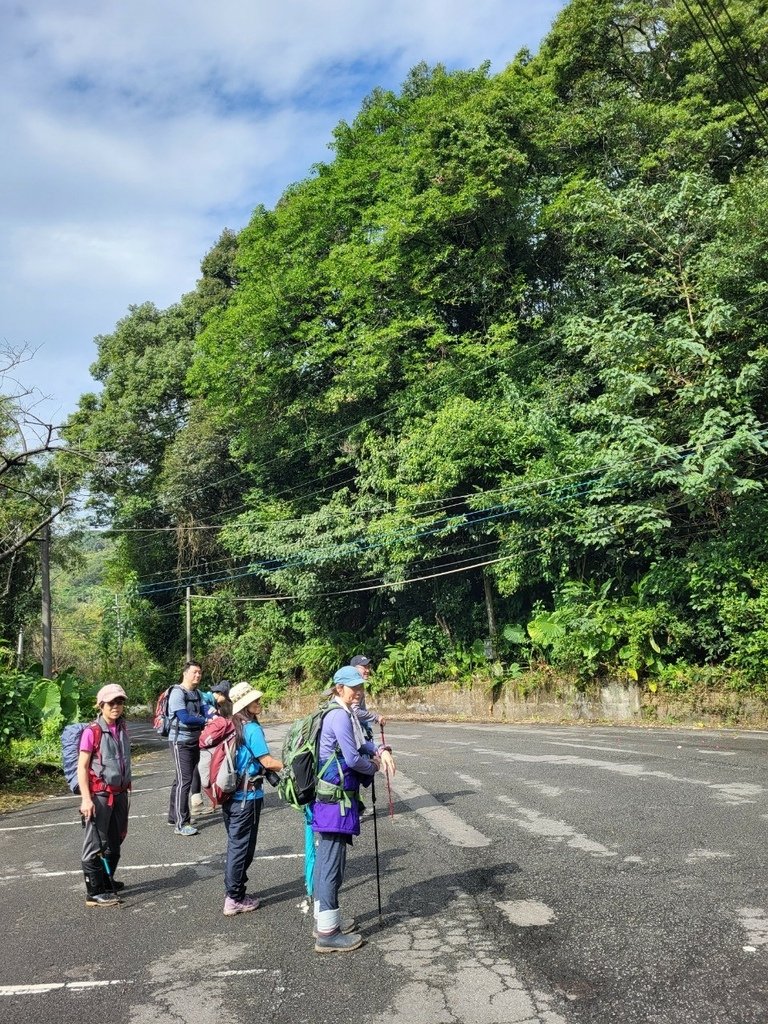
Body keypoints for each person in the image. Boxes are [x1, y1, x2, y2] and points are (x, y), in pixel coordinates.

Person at [312, 665, 395, 953]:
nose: (359, 692)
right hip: (335, 801)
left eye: (361, 687)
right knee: (332, 864)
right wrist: (373, 766)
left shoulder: (341, 713)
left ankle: (325, 921)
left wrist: (378, 750)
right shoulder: (339, 716)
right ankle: (328, 933)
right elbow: (351, 757)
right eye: (353, 688)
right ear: (339, 689)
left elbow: (361, 745)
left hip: (330, 799)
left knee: (327, 861)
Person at [221, 681, 284, 916]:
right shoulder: (252, 728)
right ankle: (234, 898)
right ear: (245, 705)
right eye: (255, 700)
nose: (259, 703)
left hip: (230, 795)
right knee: (242, 849)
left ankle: (234, 892)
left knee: (235, 846)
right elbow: (267, 762)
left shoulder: (233, 725)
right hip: (247, 797)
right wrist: (291, 763)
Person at [77, 683, 132, 908]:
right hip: (100, 795)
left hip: (119, 793)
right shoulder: (92, 731)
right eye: (111, 703)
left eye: (119, 702)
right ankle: (94, 892)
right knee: (94, 843)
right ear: (101, 705)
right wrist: (86, 799)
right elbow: (82, 767)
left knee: (115, 841)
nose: (116, 707)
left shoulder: (122, 727)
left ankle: (106, 882)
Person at [167, 660, 207, 836]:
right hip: (180, 742)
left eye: (199, 672)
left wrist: (215, 718)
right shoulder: (177, 693)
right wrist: (206, 721)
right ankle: (181, 824)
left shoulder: (198, 693)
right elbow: (185, 718)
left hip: (194, 740)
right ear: (185, 673)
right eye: (194, 672)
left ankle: (173, 816)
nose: (197, 675)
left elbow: (208, 711)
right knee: (185, 781)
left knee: (181, 779)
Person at [191, 680, 232, 813]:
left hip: (194, 736)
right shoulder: (207, 701)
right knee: (200, 767)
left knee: (197, 766)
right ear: (220, 694)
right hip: (195, 736)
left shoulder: (206, 698)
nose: (225, 701)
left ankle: (199, 799)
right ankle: (198, 801)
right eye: (226, 697)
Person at [349, 654, 386, 735]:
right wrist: (376, 717)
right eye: (364, 667)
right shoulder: (352, 687)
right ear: (354, 669)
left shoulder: (359, 685)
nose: (368, 670)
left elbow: (361, 710)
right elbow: (355, 711)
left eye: (368, 666)